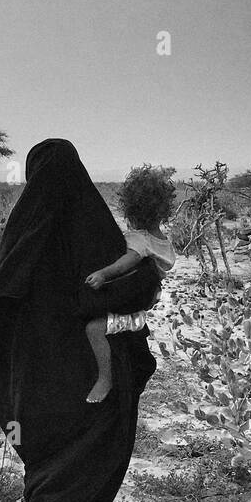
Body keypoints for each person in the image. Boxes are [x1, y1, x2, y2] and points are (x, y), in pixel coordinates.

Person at [0, 139, 158, 502]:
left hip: (34, 379)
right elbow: (137, 290)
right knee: (94, 467)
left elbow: (0, 294)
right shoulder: (99, 227)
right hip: (94, 378)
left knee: (48, 472)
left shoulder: (23, 231)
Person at [80, 167, 177, 403]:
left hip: (129, 310)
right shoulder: (164, 241)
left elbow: (127, 262)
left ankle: (105, 378)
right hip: (141, 307)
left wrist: (103, 274)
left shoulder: (139, 239)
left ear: (132, 209)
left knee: (93, 329)